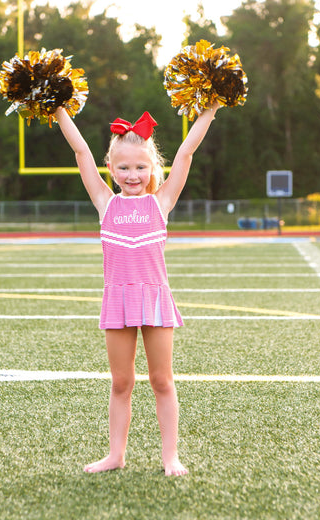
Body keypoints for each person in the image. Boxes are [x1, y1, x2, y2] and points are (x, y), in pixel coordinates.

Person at [55, 102, 220, 476]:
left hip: (155, 299)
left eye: (140, 167)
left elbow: (186, 151)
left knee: (162, 380)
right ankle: (115, 455)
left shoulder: (160, 203)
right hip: (118, 300)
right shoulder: (105, 204)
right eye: (124, 167)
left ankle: (170, 457)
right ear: (111, 169)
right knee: (121, 382)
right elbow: (80, 149)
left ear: (152, 169)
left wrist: (210, 108)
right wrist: (58, 109)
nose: (133, 175)